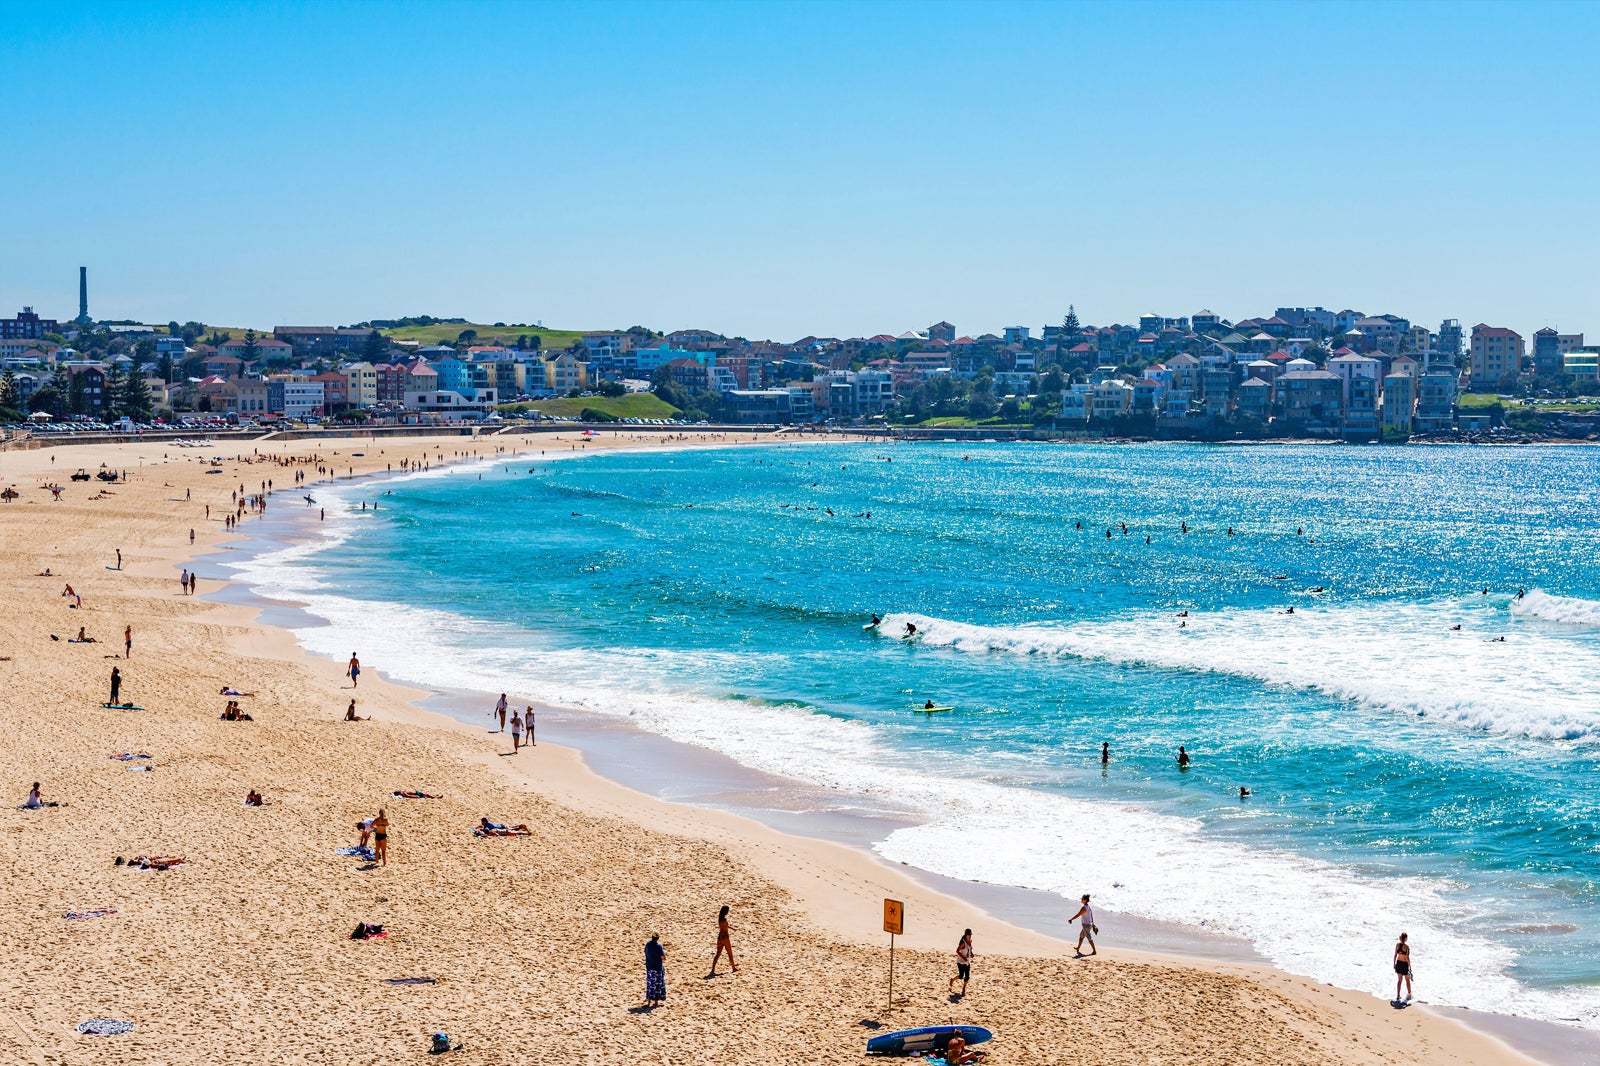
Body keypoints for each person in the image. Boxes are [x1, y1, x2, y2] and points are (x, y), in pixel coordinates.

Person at [711, 905, 738, 976]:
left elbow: (724, 926)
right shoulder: (725, 919)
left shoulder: (720, 919)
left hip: (720, 937)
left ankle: (713, 969)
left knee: (718, 954)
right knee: (729, 953)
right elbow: (725, 926)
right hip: (725, 938)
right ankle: (733, 968)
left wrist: (732, 928)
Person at [948, 928, 973, 996]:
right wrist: (963, 958)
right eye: (968, 935)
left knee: (967, 976)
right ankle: (952, 980)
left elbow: (969, 949)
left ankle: (963, 989)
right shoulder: (963, 943)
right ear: (965, 935)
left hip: (967, 961)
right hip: (960, 961)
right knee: (961, 976)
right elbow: (957, 951)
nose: (969, 936)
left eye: (970, 935)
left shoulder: (970, 941)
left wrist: (971, 953)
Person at [644, 934, 667, 1006]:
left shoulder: (648, 944)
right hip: (657, 968)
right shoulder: (658, 946)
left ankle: (649, 1001)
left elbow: (645, 952)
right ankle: (656, 1002)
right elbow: (663, 958)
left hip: (649, 967)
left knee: (650, 983)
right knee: (657, 984)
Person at [1394, 932, 1412, 1003]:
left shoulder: (1397, 945)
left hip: (1398, 963)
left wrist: (1394, 963)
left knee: (1399, 980)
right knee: (1407, 980)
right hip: (1404, 964)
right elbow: (1407, 958)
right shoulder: (1407, 947)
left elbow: (1395, 955)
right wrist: (1409, 966)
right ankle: (1409, 995)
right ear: (1405, 938)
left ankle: (1398, 995)